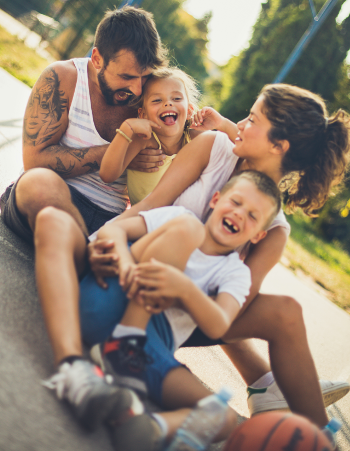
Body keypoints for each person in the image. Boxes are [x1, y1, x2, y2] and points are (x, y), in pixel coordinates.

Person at [82, 83, 350, 451]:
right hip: (145, 266)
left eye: (252, 120)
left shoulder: (273, 228)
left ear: (280, 146)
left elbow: (232, 311)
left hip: (189, 309)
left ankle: (314, 441)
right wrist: (102, 242)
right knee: (183, 233)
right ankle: (266, 389)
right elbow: (151, 206)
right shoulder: (213, 147)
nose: (240, 123)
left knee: (285, 311)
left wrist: (184, 288)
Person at [82, 170, 281, 402]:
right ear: (215, 200)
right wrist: (125, 262)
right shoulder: (181, 219)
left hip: (153, 344)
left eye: (252, 216)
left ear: (258, 236)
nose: (239, 214)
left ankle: (144, 420)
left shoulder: (235, 273)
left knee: (219, 415)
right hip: (109, 300)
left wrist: (185, 289)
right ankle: (124, 342)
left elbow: (219, 325)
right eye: (235, 202)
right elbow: (113, 229)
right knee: (189, 228)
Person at [0, 5, 168, 241]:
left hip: (109, 219)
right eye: (126, 77)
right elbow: (35, 161)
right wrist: (121, 151)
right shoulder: (63, 77)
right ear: (97, 59)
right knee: (37, 182)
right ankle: (89, 250)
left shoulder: (152, 96)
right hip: (48, 198)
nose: (137, 89)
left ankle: (84, 248)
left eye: (145, 76)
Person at [99, 67, 201, 205]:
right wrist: (126, 129)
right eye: (157, 100)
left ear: (190, 110)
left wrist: (221, 124)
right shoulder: (143, 139)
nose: (168, 103)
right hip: (141, 219)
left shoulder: (196, 140)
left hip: (179, 220)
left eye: (176, 98)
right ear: (143, 114)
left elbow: (235, 155)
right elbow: (107, 175)